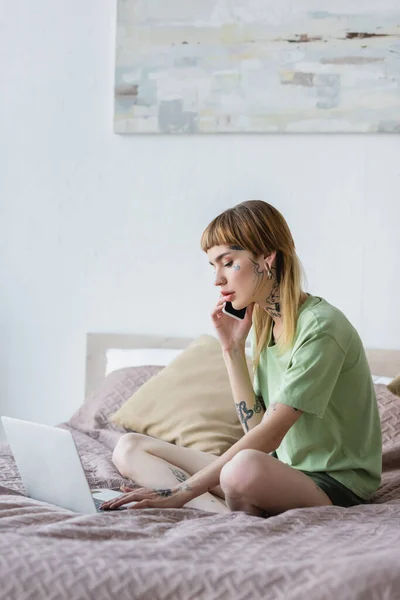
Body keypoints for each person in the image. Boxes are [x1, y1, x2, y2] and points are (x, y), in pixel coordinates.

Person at [101, 200, 382, 517]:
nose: (217, 280)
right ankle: (214, 515)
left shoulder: (321, 328)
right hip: (278, 471)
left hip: (335, 487)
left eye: (227, 262)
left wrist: (182, 490)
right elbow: (257, 428)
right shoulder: (267, 323)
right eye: (213, 266)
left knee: (240, 468)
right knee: (130, 448)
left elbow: (270, 435)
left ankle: (199, 506)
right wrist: (232, 350)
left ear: (266, 257)